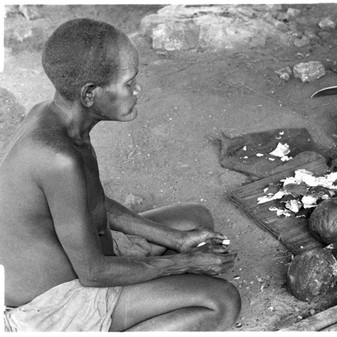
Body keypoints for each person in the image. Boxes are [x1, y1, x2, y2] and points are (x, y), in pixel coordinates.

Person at [0, 18, 241, 332]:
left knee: (196, 219)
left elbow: (92, 200)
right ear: (90, 94)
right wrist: (184, 263)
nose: (137, 89)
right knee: (222, 301)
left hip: (85, 257)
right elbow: (94, 273)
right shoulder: (57, 157)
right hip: (54, 302)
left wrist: (178, 241)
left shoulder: (53, 116)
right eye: (128, 83)